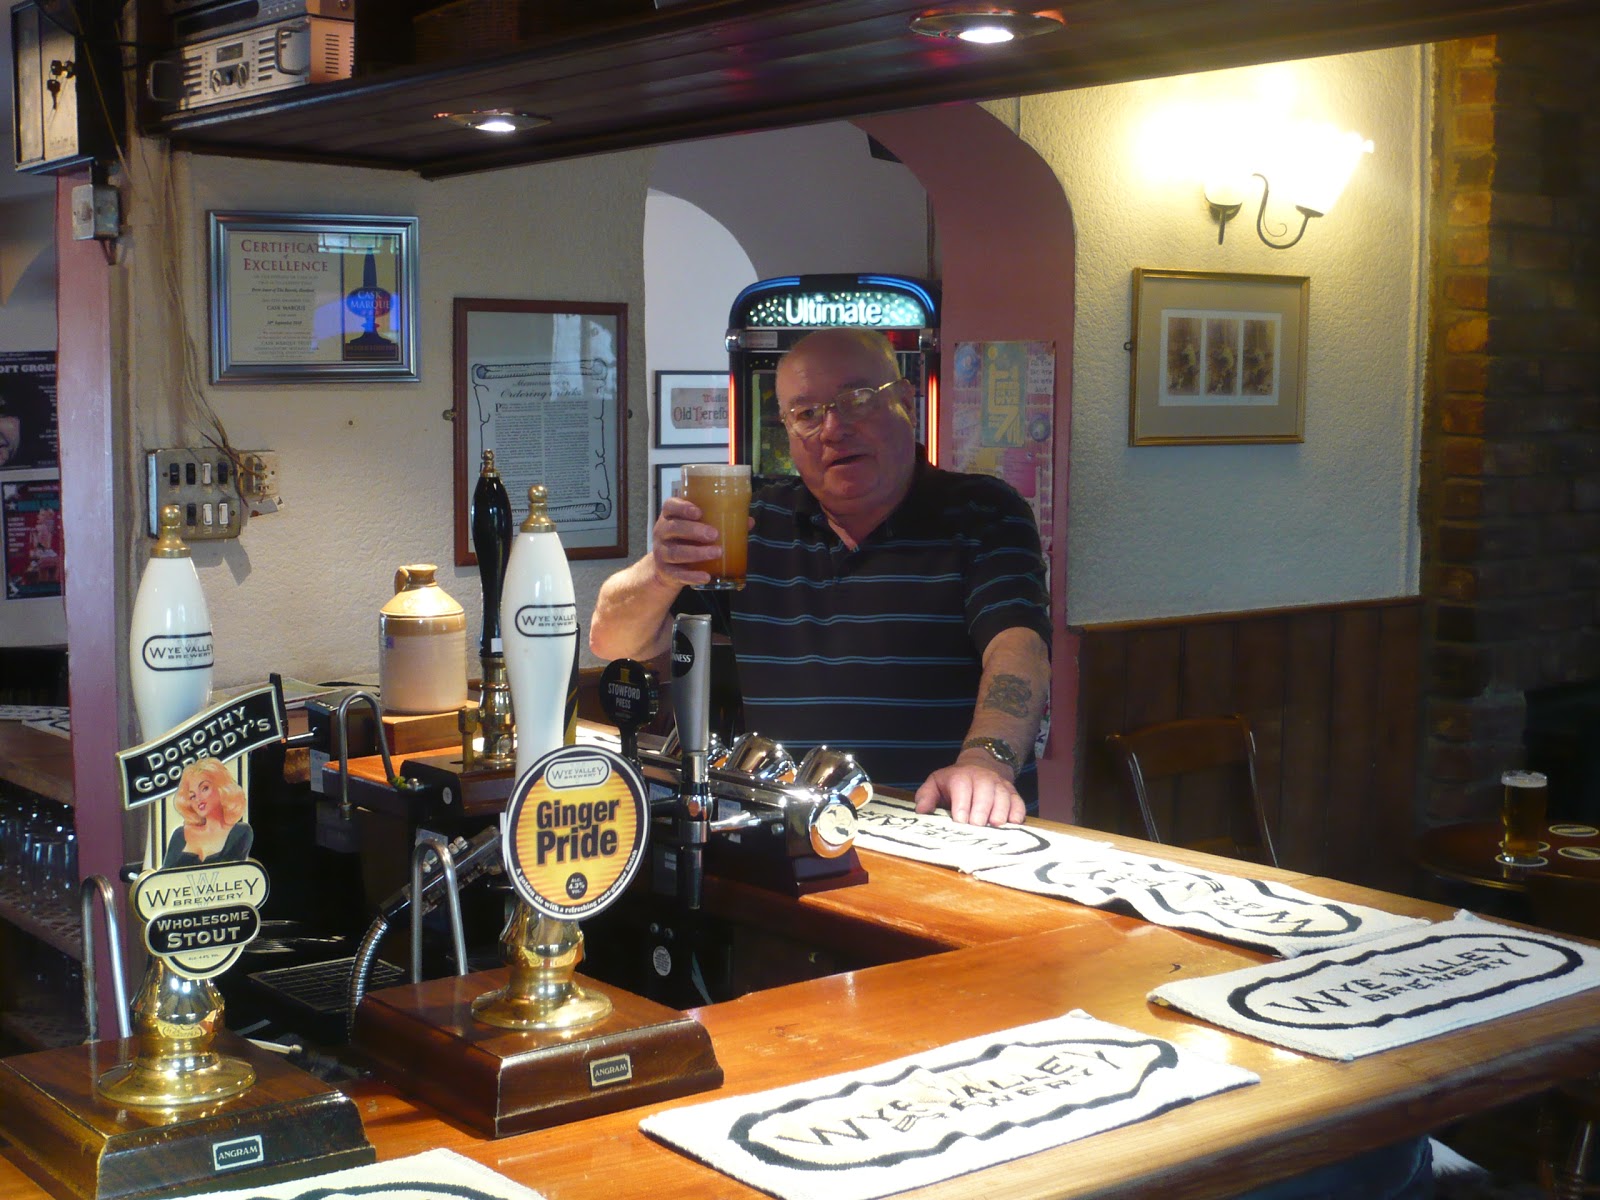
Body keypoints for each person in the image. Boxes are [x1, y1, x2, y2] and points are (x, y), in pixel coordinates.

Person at [591, 327, 1051, 827]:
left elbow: (1018, 646)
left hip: (943, 822)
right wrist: (661, 572)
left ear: (905, 403)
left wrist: (985, 762)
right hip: (795, 829)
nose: (833, 429)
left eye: (856, 400)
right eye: (807, 414)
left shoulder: (982, 511)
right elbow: (612, 640)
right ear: (787, 434)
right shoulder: (752, 520)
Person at [161, 757, 254, 868]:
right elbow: (163, 878)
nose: (198, 799)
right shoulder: (180, 835)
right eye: (192, 796)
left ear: (221, 788)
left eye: (204, 788)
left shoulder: (240, 832)